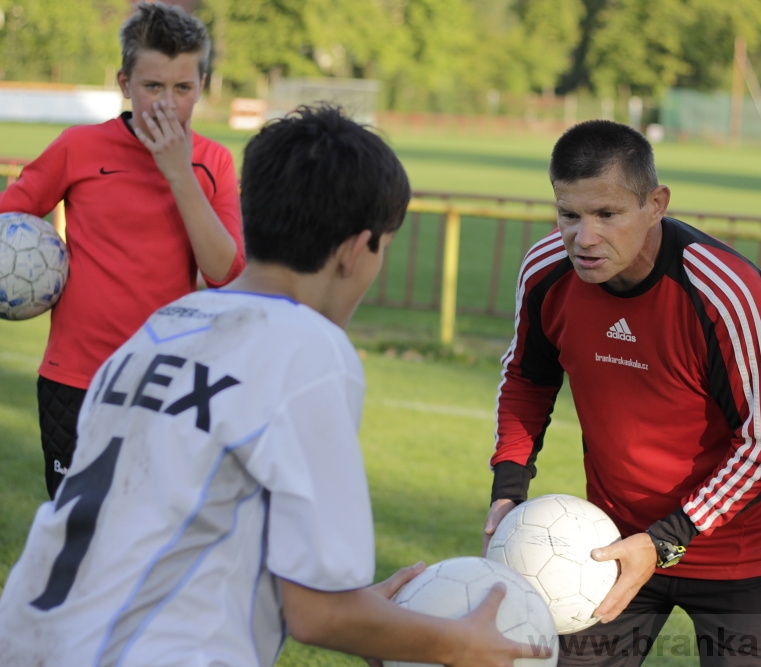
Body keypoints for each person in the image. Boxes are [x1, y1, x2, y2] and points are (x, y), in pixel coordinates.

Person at [0, 104, 553, 667]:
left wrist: (364, 607)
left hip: (28, 638)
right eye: (382, 250)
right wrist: (460, 644)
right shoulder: (306, 349)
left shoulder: (161, 327)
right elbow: (317, 613)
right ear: (354, 250)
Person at [482, 120, 761, 666]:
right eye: (569, 214)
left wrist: (665, 540)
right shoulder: (545, 271)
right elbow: (527, 381)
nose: (584, 238)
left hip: (741, 555)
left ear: (656, 204)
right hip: (608, 546)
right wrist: (508, 488)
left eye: (607, 215)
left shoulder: (724, 291)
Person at [0, 1, 245, 499]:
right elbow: (10, 215)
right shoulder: (79, 148)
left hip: (169, 383)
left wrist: (178, 171)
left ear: (201, 86)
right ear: (124, 83)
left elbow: (223, 271)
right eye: (152, 86)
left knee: (157, 540)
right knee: (77, 535)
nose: (166, 103)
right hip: (77, 378)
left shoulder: (213, 162)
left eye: (183, 88)